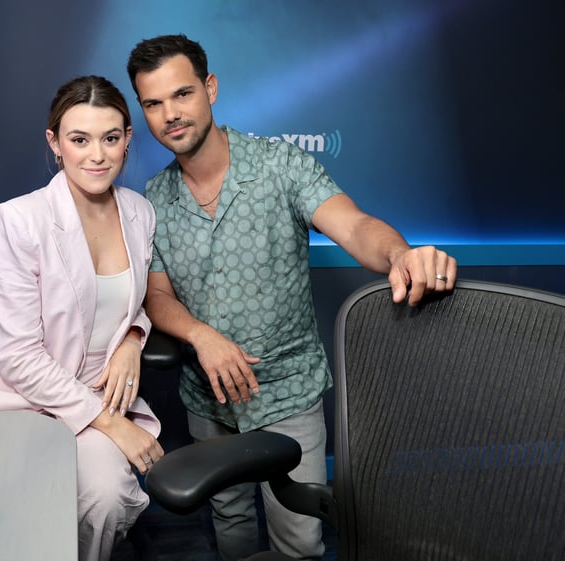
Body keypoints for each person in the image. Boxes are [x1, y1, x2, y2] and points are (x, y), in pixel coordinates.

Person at [126, 35, 457, 561]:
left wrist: (400, 255)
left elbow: (354, 225)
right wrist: (201, 335)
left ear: (210, 89)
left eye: (182, 94)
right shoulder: (151, 200)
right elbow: (158, 294)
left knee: (300, 540)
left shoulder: (281, 166)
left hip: (286, 392)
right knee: (229, 521)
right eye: (153, 103)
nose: (171, 114)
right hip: (207, 398)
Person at [0, 75, 164, 561]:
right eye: (79, 139)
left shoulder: (141, 213)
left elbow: (128, 302)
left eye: (111, 138)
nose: (96, 155)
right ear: (55, 143)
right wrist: (111, 423)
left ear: (127, 140)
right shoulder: (19, 219)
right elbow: (18, 356)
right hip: (20, 394)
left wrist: (132, 339)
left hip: (97, 390)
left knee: (106, 497)